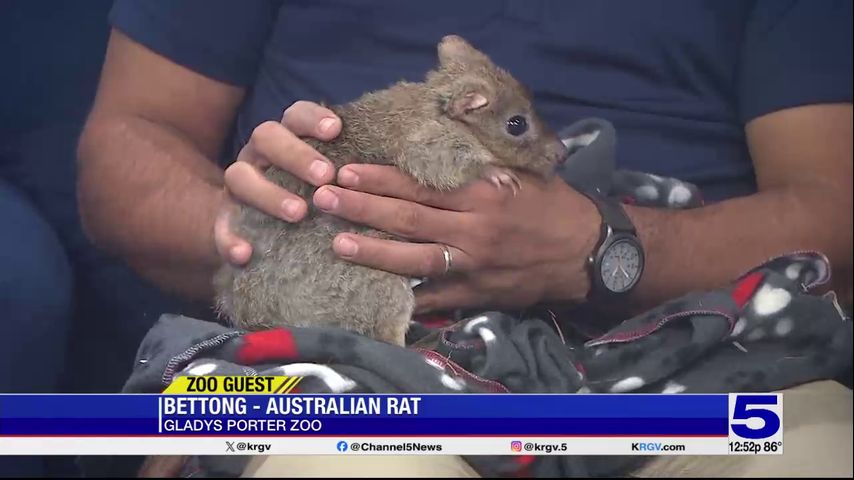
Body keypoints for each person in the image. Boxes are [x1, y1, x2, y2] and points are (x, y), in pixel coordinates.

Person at [76, 0, 852, 477]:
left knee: (816, 456)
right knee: (333, 466)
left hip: (684, 345)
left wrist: (603, 250)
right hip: (331, 345)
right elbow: (122, 149)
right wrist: (263, 235)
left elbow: (835, 208)